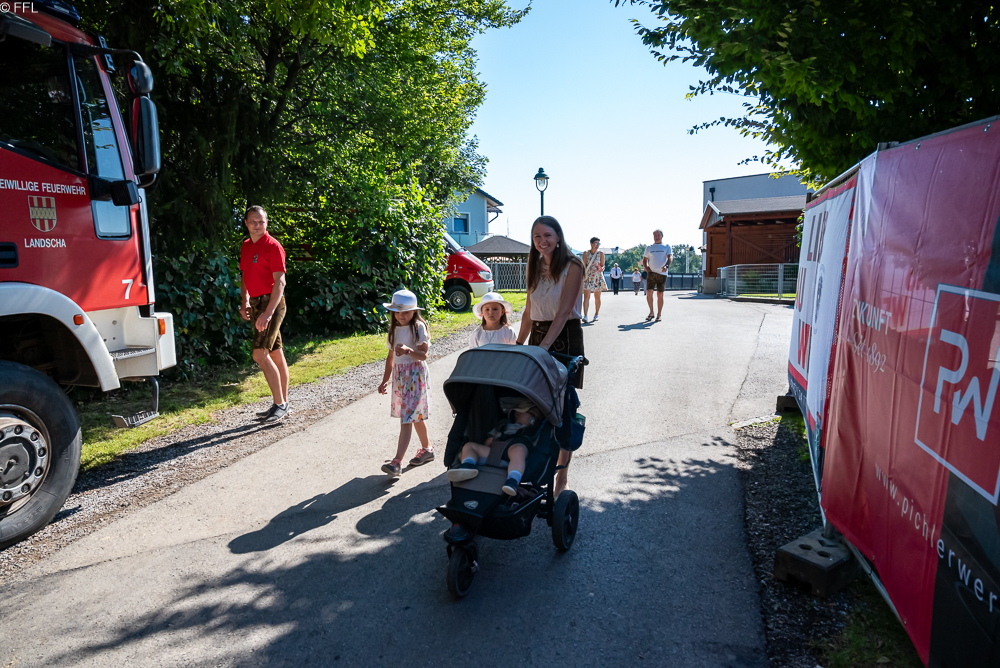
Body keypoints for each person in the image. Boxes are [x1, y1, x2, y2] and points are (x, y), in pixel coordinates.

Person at [516, 215, 585, 497]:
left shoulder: (572, 265)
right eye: (537, 236)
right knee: (535, 405)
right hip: (539, 336)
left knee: (563, 408)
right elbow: (529, 312)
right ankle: (536, 468)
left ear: (558, 237)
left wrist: (544, 347)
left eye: (547, 235)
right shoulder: (534, 265)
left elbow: (565, 310)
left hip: (565, 336)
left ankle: (562, 477)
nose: (542, 241)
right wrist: (518, 345)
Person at [239, 206, 289, 423]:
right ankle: (282, 403)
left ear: (267, 223)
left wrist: (268, 313)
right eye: (253, 221)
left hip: (272, 304)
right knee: (275, 353)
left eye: (261, 221)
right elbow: (245, 275)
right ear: (246, 223)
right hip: (256, 304)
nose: (258, 225)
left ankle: (280, 405)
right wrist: (245, 301)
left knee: (260, 354)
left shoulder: (273, 246)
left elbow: (280, 282)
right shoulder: (246, 246)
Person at [377, 289, 433, 476]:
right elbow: (391, 357)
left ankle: (397, 462)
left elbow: (423, 355)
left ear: (414, 311)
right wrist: (385, 380)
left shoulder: (418, 327)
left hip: (415, 376)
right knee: (414, 415)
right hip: (401, 377)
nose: (401, 315)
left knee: (407, 417)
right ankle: (427, 449)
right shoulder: (393, 330)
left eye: (406, 312)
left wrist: (409, 350)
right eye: (397, 312)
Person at [447, 398, 543, 495]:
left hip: (515, 450)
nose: (535, 420)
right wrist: (488, 441)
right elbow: (491, 435)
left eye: (537, 418)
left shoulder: (531, 430)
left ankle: (513, 480)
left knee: (519, 450)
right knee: (469, 446)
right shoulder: (503, 425)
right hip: (495, 451)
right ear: (518, 413)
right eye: (532, 415)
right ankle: (467, 466)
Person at [642, 229, 673, 323]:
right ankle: (651, 312)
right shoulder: (649, 247)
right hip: (651, 273)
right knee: (649, 292)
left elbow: (670, 257)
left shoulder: (666, 246)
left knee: (660, 294)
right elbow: (645, 260)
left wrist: (666, 266)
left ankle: (659, 314)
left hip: (662, 273)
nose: (656, 237)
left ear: (662, 236)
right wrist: (647, 268)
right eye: (655, 235)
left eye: (658, 235)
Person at [581, 237, 606, 322]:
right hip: (588, 277)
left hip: (597, 277)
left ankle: (596, 314)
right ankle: (585, 316)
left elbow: (602, 265)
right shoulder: (585, 253)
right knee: (586, 297)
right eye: (595, 243)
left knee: (597, 297)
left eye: (598, 243)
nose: (597, 245)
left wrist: (601, 268)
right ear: (591, 244)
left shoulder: (601, 253)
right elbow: (583, 265)